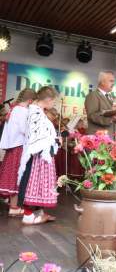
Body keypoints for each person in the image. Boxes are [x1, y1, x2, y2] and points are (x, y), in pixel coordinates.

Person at [17, 86, 60, 225]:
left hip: (41, 154)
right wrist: (53, 141)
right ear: (47, 99)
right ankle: (28, 215)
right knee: (32, 183)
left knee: (39, 184)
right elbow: (37, 136)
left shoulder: (38, 111)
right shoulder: (35, 112)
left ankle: (38, 212)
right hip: (37, 155)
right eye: (53, 101)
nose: (54, 104)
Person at [0, 88, 36, 217]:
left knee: (11, 174)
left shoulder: (15, 109)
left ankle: (12, 204)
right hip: (19, 146)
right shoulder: (22, 111)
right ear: (31, 100)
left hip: (13, 146)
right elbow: (23, 129)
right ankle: (14, 207)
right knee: (16, 175)